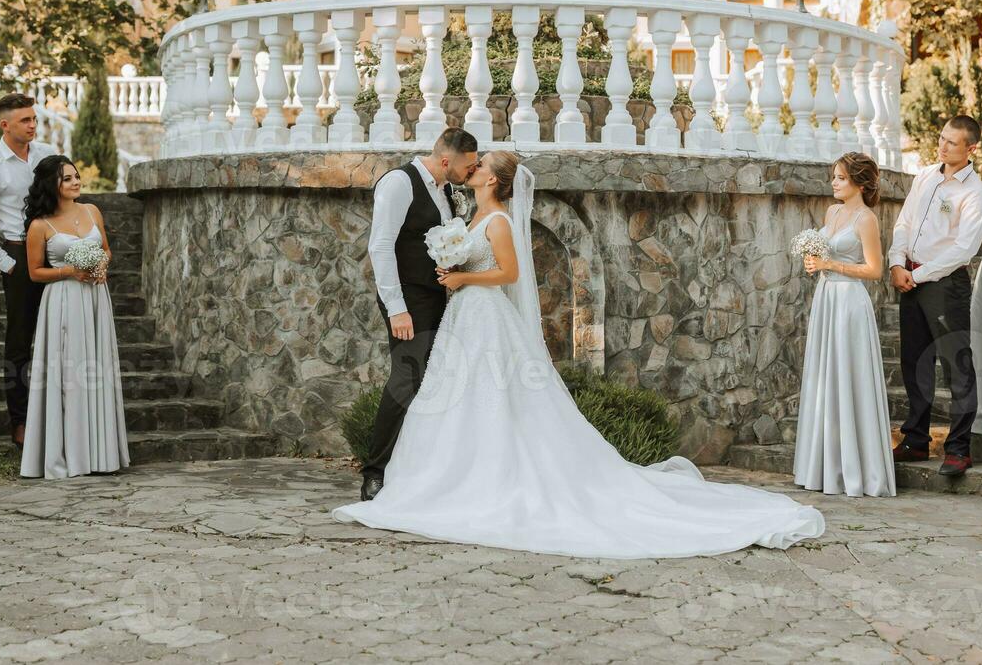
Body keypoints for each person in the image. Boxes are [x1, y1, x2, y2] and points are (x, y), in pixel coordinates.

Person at [334, 152, 825, 558]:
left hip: (484, 314)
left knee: (492, 397)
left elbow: (508, 274)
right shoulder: (470, 215)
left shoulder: (500, 220)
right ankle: (442, 477)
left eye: (481, 165)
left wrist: (463, 277)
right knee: (455, 395)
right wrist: (451, 267)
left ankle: (488, 480)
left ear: (494, 180)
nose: (474, 168)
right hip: (464, 316)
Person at [360, 127, 480, 502]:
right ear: (446, 160)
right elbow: (380, 246)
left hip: (438, 297)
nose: (470, 173)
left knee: (434, 382)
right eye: (468, 166)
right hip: (408, 300)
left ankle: (414, 469)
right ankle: (374, 473)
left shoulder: (446, 191)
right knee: (406, 379)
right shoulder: (399, 183)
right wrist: (397, 309)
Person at [887, 116, 982, 477]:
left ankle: (959, 449)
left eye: (952, 142)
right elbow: (904, 222)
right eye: (942, 138)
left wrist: (916, 274)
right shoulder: (925, 177)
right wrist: (896, 262)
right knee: (913, 361)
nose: (943, 146)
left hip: (945, 285)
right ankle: (915, 441)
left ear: (971, 148)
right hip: (910, 278)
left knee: (956, 364)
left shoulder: (974, 193)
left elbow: (963, 250)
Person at [19, 155, 129, 479]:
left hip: (96, 298)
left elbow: (106, 249)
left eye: (76, 176)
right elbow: (35, 273)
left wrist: (101, 264)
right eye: (67, 179)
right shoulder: (40, 226)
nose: (76, 182)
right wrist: (71, 271)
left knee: (98, 369)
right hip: (63, 300)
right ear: (51, 185)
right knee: (69, 374)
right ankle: (69, 455)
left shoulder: (93, 211)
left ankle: (101, 453)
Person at [793, 152, 896, 498]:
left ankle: (854, 470)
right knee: (826, 378)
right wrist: (816, 264)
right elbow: (826, 256)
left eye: (839, 177)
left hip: (850, 302)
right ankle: (824, 466)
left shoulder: (866, 219)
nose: (833, 182)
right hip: (826, 298)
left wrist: (831, 265)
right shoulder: (832, 212)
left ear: (860, 182)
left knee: (849, 378)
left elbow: (875, 270)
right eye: (833, 176)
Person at [0, 93, 54, 448]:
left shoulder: (48, 156)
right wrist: (9, 264)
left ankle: (60, 412)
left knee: (60, 333)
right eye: (25, 121)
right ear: (5, 125)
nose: (33, 125)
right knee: (19, 342)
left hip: (57, 251)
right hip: (18, 255)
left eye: (34, 119)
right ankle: (19, 422)